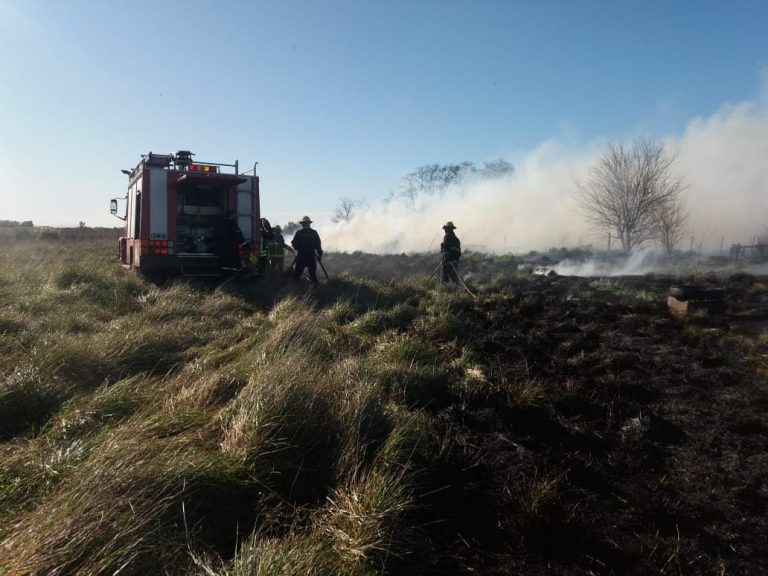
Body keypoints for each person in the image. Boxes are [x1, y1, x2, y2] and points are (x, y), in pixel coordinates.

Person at [291, 215, 323, 284]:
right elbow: (318, 245)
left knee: (297, 274)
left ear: (302, 224)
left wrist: (299, 248)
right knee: (312, 274)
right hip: (311, 256)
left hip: (301, 256)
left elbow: (293, 243)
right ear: (309, 223)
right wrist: (319, 255)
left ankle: (295, 289)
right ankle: (316, 287)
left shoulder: (299, 233)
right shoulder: (314, 233)